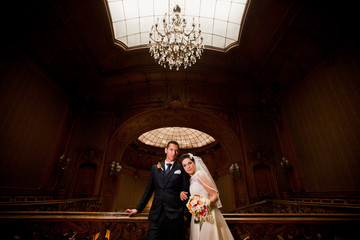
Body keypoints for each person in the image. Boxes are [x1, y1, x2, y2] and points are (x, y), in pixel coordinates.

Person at [125, 141, 190, 240]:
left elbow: (186, 191)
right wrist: (138, 209)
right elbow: (149, 190)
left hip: (175, 217)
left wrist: (185, 213)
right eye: (171, 150)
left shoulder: (181, 168)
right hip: (157, 216)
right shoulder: (155, 168)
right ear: (166, 150)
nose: (173, 153)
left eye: (176, 151)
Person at [179, 153, 234, 240]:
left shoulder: (200, 175)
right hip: (197, 215)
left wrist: (203, 207)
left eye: (189, 163)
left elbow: (215, 195)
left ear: (194, 163)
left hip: (208, 214)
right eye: (185, 165)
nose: (188, 166)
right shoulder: (191, 179)